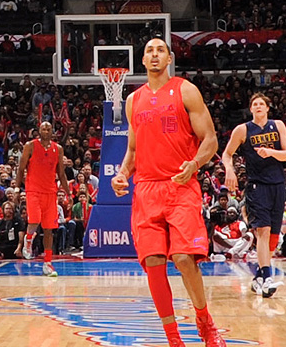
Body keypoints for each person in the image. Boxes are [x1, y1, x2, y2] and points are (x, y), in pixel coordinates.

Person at [112, 37, 225, 347]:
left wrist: (195, 164)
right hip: (146, 190)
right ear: (143, 59)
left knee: (184, 258)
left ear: (170, 57)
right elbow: (132, 149)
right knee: (153, 262)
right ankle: (174, 339)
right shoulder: (134, 100)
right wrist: (122, 173)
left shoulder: (185, 90)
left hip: (180, 185)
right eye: (148, 50)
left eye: (160, 49)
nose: (154, 54)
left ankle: (205, 321)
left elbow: (211, 140)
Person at [220, 92, 286, 298]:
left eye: (262, 104)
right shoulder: (243, 129)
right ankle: (268, 277)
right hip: (256, 185)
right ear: (251, 109)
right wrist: (230, 170)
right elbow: (227, 154)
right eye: (255, 104)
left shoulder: (278, 125)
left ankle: (259, 277)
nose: (258, 106)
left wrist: (271, 152)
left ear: (268, 108)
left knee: (272, 236)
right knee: (263, 230)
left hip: (278, 184)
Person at [12, 120, 70, 275]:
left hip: (51, 192)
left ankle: (48, 263)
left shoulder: (58, 149)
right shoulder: (30, 146)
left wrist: (68, 193)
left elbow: (61, 174)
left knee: (49, 230)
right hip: (33, 190)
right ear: (38, 131)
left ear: (52, 132)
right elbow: (21, 169)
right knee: (35, 220)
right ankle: (28, 240)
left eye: (48, 129)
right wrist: (17, 189)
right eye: (43, 128)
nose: (46, 131)